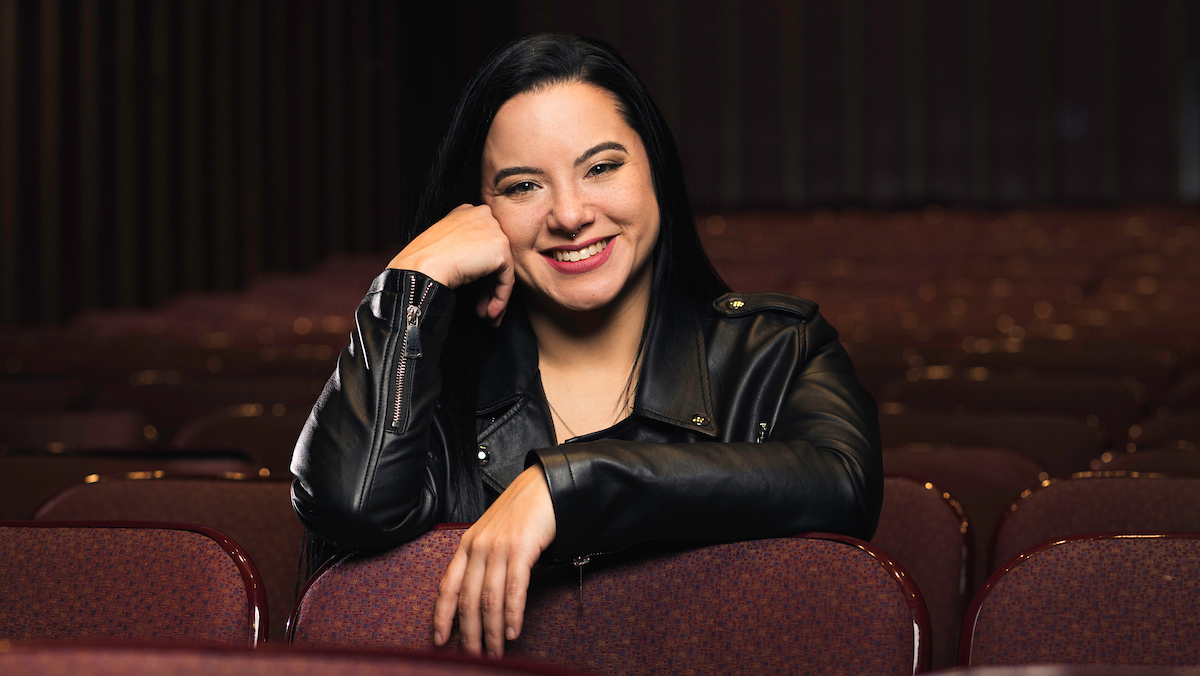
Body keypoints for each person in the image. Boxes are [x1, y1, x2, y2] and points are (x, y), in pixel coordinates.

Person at [290, 33, 881, 660]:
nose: (570, 215)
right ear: (478, 211)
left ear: (655, 167)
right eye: (523, 187)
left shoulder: (775, 350)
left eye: (601, 167)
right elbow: (348, 508)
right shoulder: (431, 387)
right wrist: (412, 282)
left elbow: (842, 484)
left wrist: (568, 488)